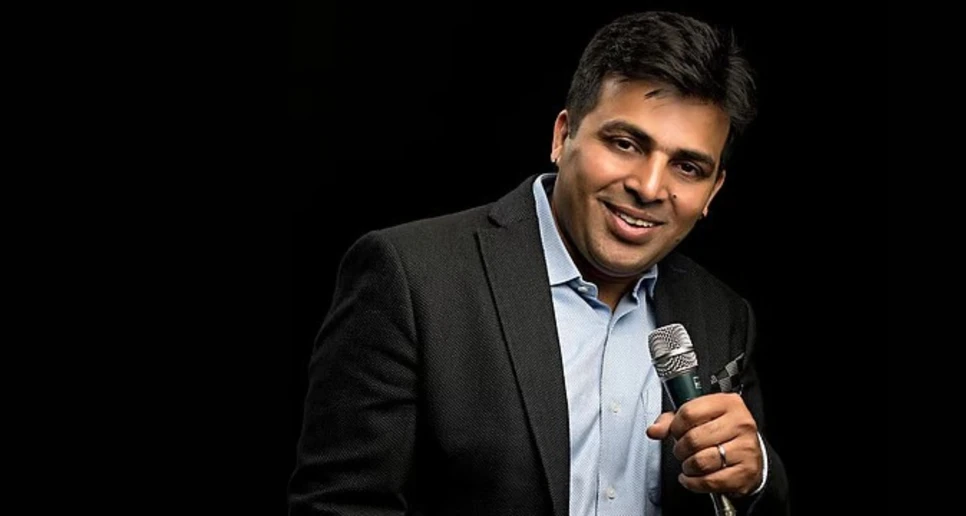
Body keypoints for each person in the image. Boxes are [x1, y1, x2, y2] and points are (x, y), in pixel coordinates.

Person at [289, 10, 789, 515]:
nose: (649, 187)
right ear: (562, 136)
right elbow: (341, 507)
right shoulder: (412, 277)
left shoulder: (723, 315)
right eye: (625, 144)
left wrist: (756, 479)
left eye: (687, 167)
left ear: (712, 191)